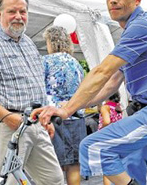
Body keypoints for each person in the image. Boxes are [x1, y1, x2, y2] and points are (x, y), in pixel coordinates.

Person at [33, 0, 147, 185]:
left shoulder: (141, 26)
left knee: (94, 146)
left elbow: (102, 72)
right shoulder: (132, 30)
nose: (113, 0)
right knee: (131, 166)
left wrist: (66, 110)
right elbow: (112, 82)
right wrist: (71, 107)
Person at [0, 0, 64, 184]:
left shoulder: (28, 43)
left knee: (54, 179)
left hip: (35, 123)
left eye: (23, 11)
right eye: (12, 11)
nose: (18, 16)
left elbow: (36, 84)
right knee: (7, 181)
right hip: (7, 125)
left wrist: (47, 119)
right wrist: (7, 117)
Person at [42, 25, 86, 185]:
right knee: (74, 163)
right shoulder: (76, 64)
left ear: (51, 42)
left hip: (53, 118)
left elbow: (39, 89)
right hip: (76, 116)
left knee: (54, 164)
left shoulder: (45, 61)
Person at [98, 92, 124, 185]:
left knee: (107, 169)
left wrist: (101, 129)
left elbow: (107, 121)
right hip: (118, 137)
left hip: (107, 138)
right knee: (116, 166)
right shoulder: (118, 107)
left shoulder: (105, 107)